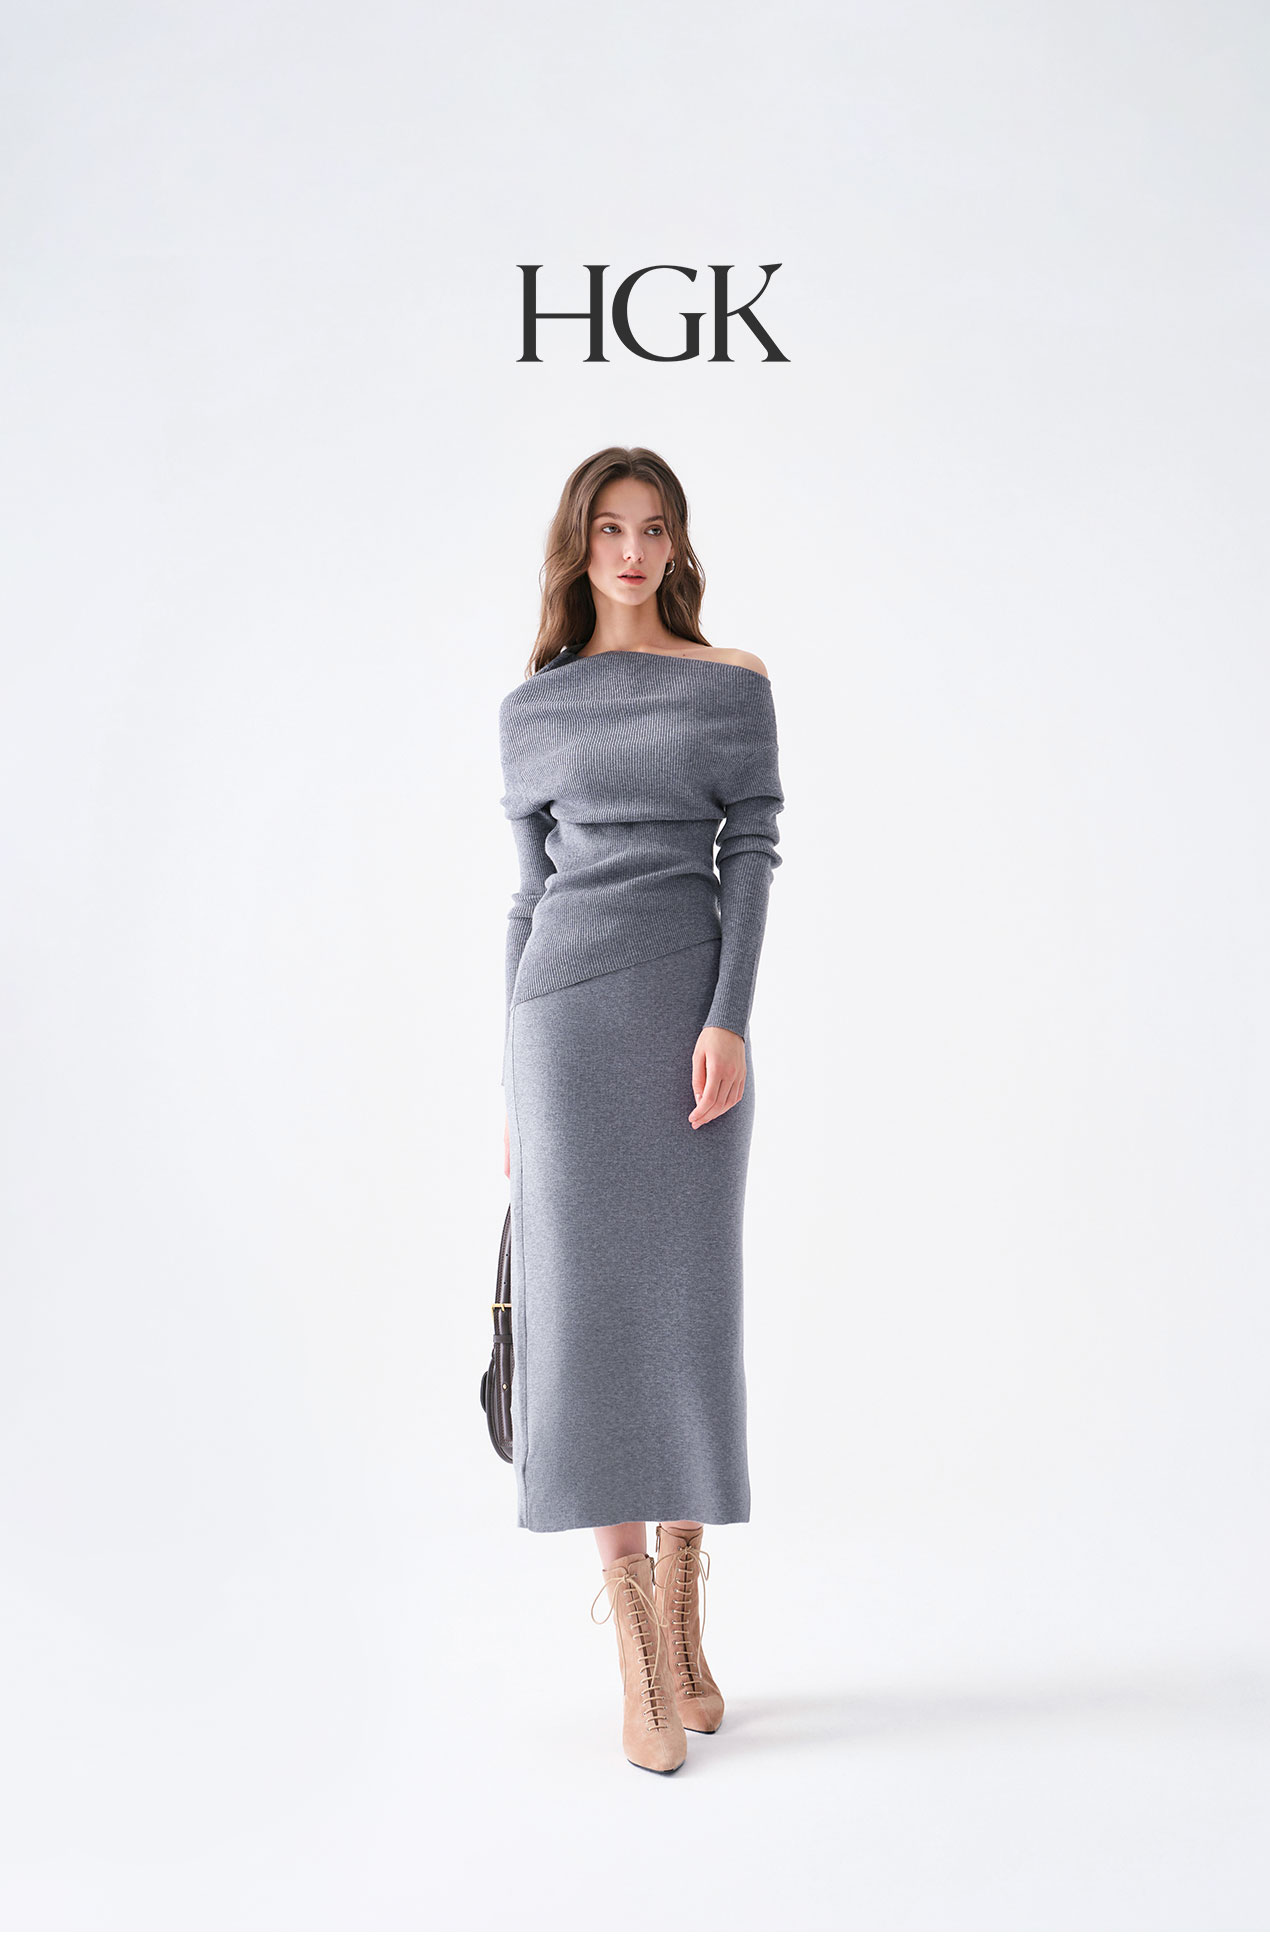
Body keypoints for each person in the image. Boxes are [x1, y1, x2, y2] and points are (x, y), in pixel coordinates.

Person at [498, 445, 784, 1774]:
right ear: (581, 544)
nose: (630, 551)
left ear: (677, 546)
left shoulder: (732, 685)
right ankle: (636, 1650)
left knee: (683, 1306)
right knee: (588, 1323)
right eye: (609, 528)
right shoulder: (534, 707)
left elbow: (753, 850)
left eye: (653, 528)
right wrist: (512, 1086)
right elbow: (526, 896)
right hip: (562, 1026)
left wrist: (729, 1016)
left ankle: (683, 1606)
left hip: (685, 1024)